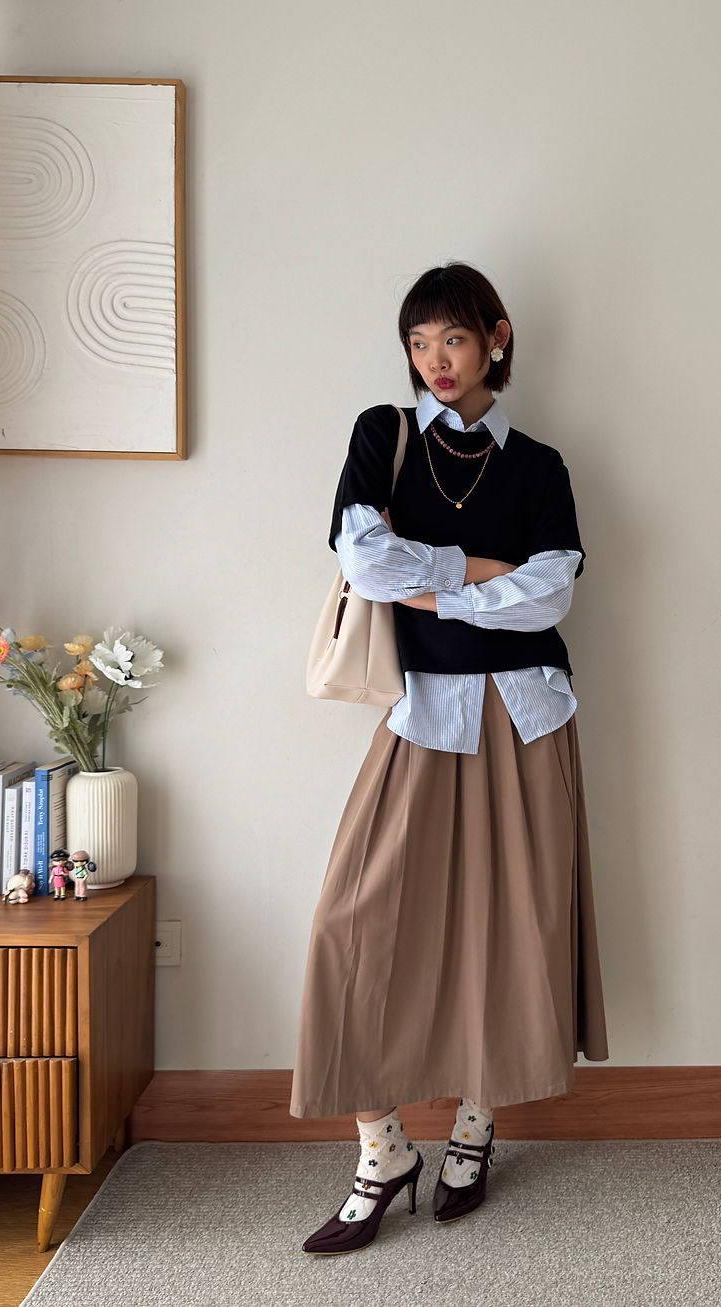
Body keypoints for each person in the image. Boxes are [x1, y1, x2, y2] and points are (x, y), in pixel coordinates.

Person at [292, 262, 608, 1255]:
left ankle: (475, 1125)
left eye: (454, 340)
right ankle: (383, 1147)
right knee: (353, 917)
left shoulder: (542, 465)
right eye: (419, 340)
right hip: (421, 711)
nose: (435, 360)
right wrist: (474, 573)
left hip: (528, 715)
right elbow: (362, 561)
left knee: (513, 926)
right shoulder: (381, 438)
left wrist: (434, 585)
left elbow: (551, 593)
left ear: (497, 340)